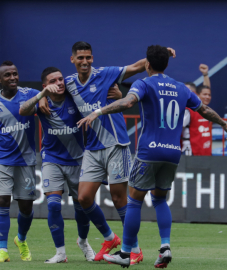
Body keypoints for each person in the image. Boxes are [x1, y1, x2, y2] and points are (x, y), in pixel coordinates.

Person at [77, 45, 227, 268]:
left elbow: (128, 102)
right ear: (167, 64)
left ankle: (126, 252)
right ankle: (165, 246)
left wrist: (98, 111)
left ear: (147, 64)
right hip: (172, 153)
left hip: (149, 150)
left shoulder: (144, 83)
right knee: (159, 199)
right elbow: (204, 111)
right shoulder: (181, 88)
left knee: (133, 201)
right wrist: (223, 122)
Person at [63, 41, 175, 263]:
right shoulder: (69, 83)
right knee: (83, 197)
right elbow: (54, 91)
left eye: (88, 57)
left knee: (118, 197)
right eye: (80, 58)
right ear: (72, 60)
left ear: (92, 59)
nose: (85, 61)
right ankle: (109, 237)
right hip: (92, 147)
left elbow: (137, 66)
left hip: (116, 144)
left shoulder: (106, 74)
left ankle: (134, 249)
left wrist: (162, 55)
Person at [19, 67, 121, 263]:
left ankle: (83, 241)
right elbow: (22, 110)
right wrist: (42, 95)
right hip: (52, 160)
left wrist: (119, 95)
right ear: (45, 85)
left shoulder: (74, 97)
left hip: (79, 160)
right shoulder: (42, 102)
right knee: (54, 205)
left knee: (82, 206)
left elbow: (100, 98)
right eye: (53, 81)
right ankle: (60, 253)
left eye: (60, 79)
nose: (59, 83)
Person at [0, 61, 45, 263]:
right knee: (2, 201)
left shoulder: (30, 94)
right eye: (7, 75)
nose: (12, 77)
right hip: (2, 158)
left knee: (26, 207)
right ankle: (2, 250)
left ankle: (20, 239)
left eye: (15, 74)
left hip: (26, 159)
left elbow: (47, 106)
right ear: (0, 79)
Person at [182, 85, 213, 156]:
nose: (207, 97)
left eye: (209, 95)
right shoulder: (189, 111)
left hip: (205, 151)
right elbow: (178, 128)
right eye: (205, 94)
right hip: (190, 152)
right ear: (197, 95)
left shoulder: (207, 110)